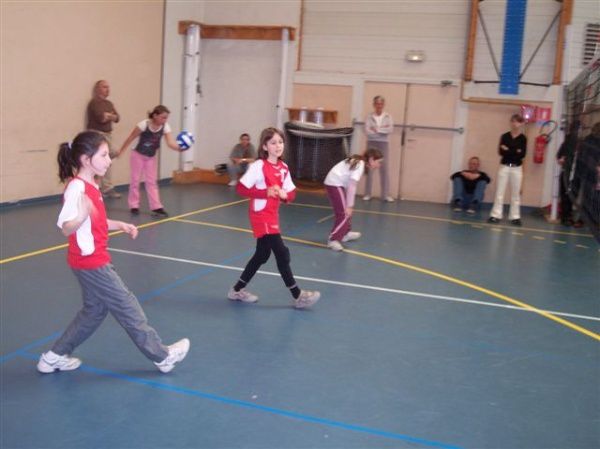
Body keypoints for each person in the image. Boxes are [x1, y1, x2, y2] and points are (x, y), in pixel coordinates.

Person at [37, 131, 190, 374]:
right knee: (127, 305)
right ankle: (162, 356)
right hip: (92, 262)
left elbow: (95, 219)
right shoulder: (76, 188)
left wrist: (120, 224)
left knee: (94, 311)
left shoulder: (91, 185)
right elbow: (66, 226)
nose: (109, 160)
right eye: (104, 155)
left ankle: (53, 357)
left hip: (88, 261)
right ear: (87, 159)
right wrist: (82, 214)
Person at [227, 127, 321, 309]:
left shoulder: (283, 168)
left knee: (262, 255)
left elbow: (292, 193)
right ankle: (298, 295)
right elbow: (241, 188)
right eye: (273, 142)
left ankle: (237, 289)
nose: (278, 146)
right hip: (260, 215)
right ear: (265, 146)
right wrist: (265, 192)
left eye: (280, 142)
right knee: (282, 252)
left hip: (272, 215)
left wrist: (285, 195)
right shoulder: (259, 166)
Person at [117, 105, 183, 217]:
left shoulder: (165, 127)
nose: (165, 120)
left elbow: (170, 143)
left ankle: (156, 207)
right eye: (163, 117)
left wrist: (179, 148)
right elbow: (130, 138)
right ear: (155, 115)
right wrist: (121, 150)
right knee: (135, 180)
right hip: (137, 155)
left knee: (151, 182)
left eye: (166, 118)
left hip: (151, 157)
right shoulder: (143, 125)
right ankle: (134, 205)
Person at [324, 148, 383, 251]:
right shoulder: (360, 165)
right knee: (344, 213)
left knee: (346, 211)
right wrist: (349, 206)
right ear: (372, 159)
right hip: (334, 183)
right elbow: (352, 186)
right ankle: (333, 240)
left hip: (336, 183)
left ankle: (345, 233)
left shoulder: (360, 163)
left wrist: (348, 204)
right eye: (378, 162)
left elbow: (349, 184)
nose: (379, 165)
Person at [488, 114, 527, 226]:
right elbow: (501, 152)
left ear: (521, 124)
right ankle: (495, 215)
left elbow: (522, 154)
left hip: (517, 168)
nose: (515, 124)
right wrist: (515, 151)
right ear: (510, 122)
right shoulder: (504, 136)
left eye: (518, 122)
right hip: (504, 166)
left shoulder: (523, 138)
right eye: (513, 121)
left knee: (516, 194)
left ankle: (515, 217)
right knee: (499, 192)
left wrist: (508, 149)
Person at [86, 80, 121, 198]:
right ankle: (94, 187)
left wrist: (109, 116)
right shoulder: (94, 103)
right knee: (96, 160)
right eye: (104, 87)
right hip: (96, 134)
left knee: (108, 159)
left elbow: (117, 118)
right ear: (98, 89)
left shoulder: (109, 103)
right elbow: (101, 118)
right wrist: (108, 116)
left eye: (108, 87)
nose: (107, 89)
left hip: (108, 134)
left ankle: (106, 187)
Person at [363, 95, 394, 202]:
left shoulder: (388, 116)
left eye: (381, 103)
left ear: (383, 105)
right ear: (374, 105)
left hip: (383, 144)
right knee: (370, 167)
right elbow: (368, 132)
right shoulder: (369, 117)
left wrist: (377, 129)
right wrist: (381, 130)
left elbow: (390, 130)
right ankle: (367, 194)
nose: (379, 105)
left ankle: (385, 195)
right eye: (377, 103)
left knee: (384, 168)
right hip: (371, 143)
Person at [556, 121, 579, 226]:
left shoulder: (581, 143)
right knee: (566, 195)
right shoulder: (568, 141)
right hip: (567, 173)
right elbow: (559, 156)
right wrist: (562, 159)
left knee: (570, 196)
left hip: (574, 175)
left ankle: (568, 216)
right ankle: (565, 217)